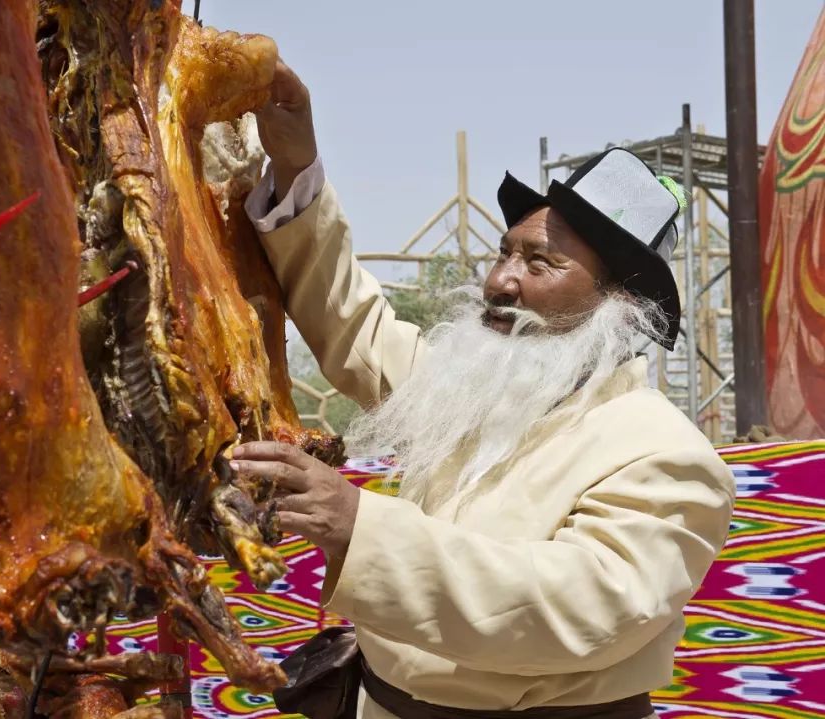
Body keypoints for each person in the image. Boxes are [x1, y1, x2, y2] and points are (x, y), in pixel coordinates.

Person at [230, 61, 735, 719]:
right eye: (504, 252)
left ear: (618, 302)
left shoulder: (665, 456)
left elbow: (572, 609)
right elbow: (352, 321)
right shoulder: (470, 388)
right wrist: (298, 167)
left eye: (540, 262)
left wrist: (361, 527)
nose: (501, 280)